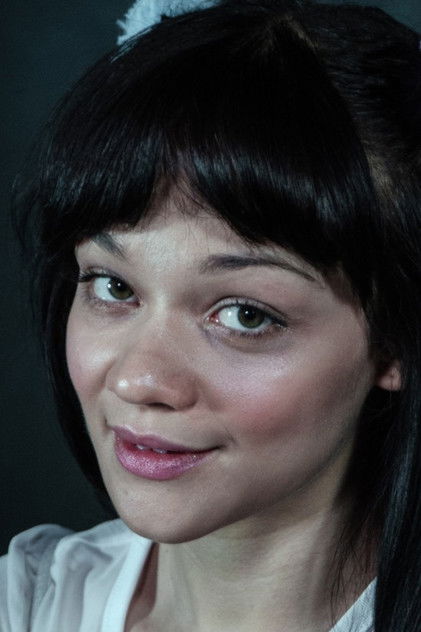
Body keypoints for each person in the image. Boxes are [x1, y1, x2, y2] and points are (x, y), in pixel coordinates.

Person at [1, 0, 420, 630]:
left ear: (395, 341)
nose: (139, 380)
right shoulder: (28, 605)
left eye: (246, 315)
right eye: (114, 286)